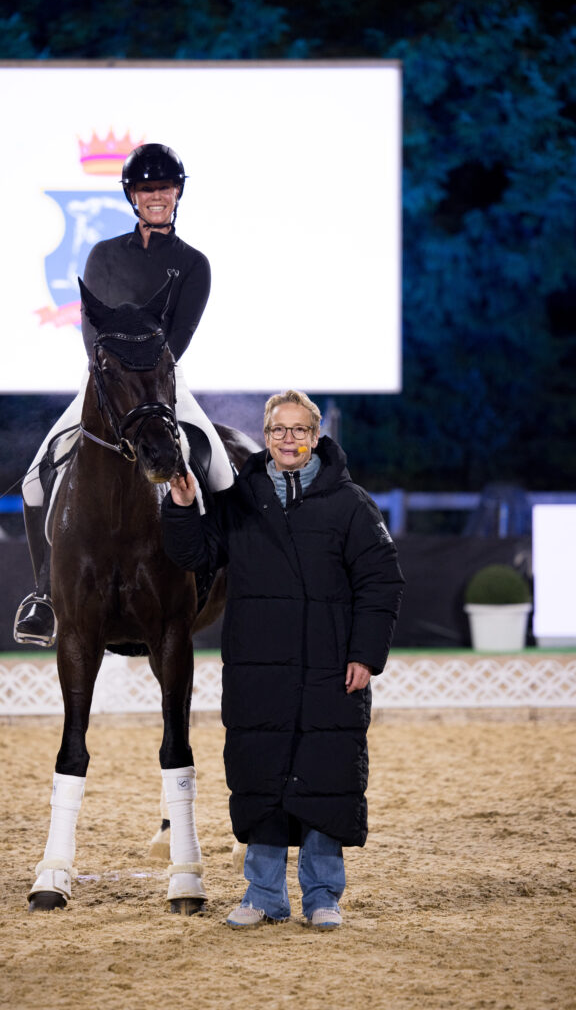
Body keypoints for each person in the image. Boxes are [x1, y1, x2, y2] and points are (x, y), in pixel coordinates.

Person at [161, 389, 405, 929]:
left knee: (325, 777)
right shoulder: (239, 500)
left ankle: (322, 897)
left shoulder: (351, 504)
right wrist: (180, 507)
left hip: (330, 668)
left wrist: (366, 655)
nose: (287, 439)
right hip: (258, 668)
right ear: (266, 436)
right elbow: (195, 554)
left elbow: (382, 581)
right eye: (278, 430)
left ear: (315, 437)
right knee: (261, 777)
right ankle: (264, 895)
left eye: (298, 430)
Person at [14, 143, 234, 647]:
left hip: (162, 385)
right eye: (146, 189)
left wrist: (147, 380)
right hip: (105, 384)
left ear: (177, 193)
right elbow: (92, 329)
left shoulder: (194, 264)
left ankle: (224, 574)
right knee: (33, 481)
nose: (157, 196)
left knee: (222, 471)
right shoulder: (103, 255)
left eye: (165, 188)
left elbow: (177, 340)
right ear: (132, 196)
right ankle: (43, 595)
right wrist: (109, 378)